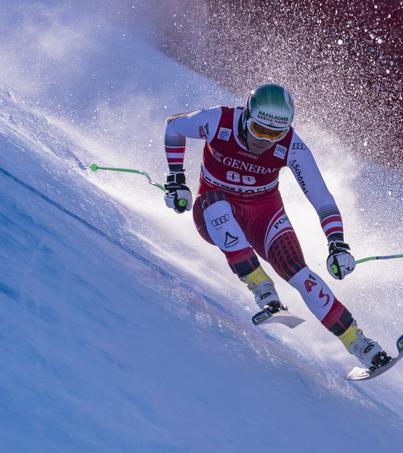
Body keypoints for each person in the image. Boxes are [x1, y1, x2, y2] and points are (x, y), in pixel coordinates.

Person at [162, 83, 388, 369]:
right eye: (259, 130)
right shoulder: (218, 120)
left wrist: (337, 243)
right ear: (247, 116)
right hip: (212, 211)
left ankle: (362, 345)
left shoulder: (291, 145)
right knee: (217, 205)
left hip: (263, 214)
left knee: (300, 273)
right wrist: (176, 179)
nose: (264, 141)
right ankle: (263, 290)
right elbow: (174, 127)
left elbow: (321, 197)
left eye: (274, 134)